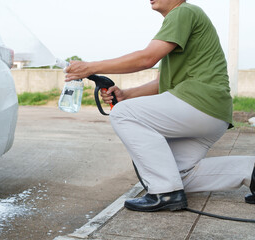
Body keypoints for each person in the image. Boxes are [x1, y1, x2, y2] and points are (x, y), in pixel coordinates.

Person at [65, 0, 255, 212]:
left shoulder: (183, 12)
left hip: (199, 104)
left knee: (123, 114)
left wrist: (89, 67)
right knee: (176, 173)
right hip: (212, 114)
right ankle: (250, 170)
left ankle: (165, 193)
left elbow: (147, 58)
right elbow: (160, 83)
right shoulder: (180, 25)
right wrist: (126, 94)